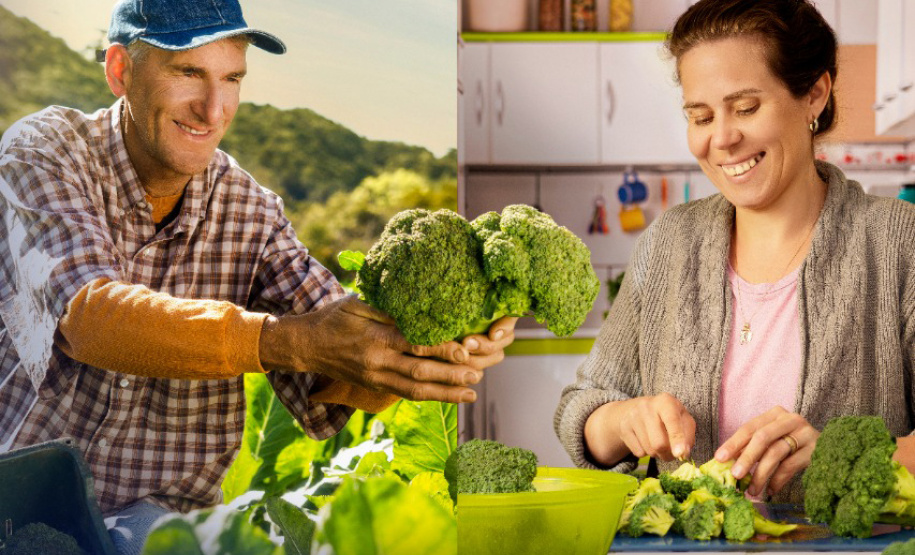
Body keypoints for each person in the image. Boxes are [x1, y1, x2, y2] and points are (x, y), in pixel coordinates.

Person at [0, 0, 515, 552]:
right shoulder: (46, 152)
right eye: (188, 73)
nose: (213, 109)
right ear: (121, 70)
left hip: (163, 525)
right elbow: (92, 319)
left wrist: (418, 348)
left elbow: (332, 379)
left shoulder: (250, 209)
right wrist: (285, 340)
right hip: (17, 507)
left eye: (233, 78)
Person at [555, 0, 915, 505]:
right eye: (700, 116)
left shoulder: (899, 242)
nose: (720, 139)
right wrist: (624, 419)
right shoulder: (667, 243)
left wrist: (849, 453)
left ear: (814, 93)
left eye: (746, 108)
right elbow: (582, 407)